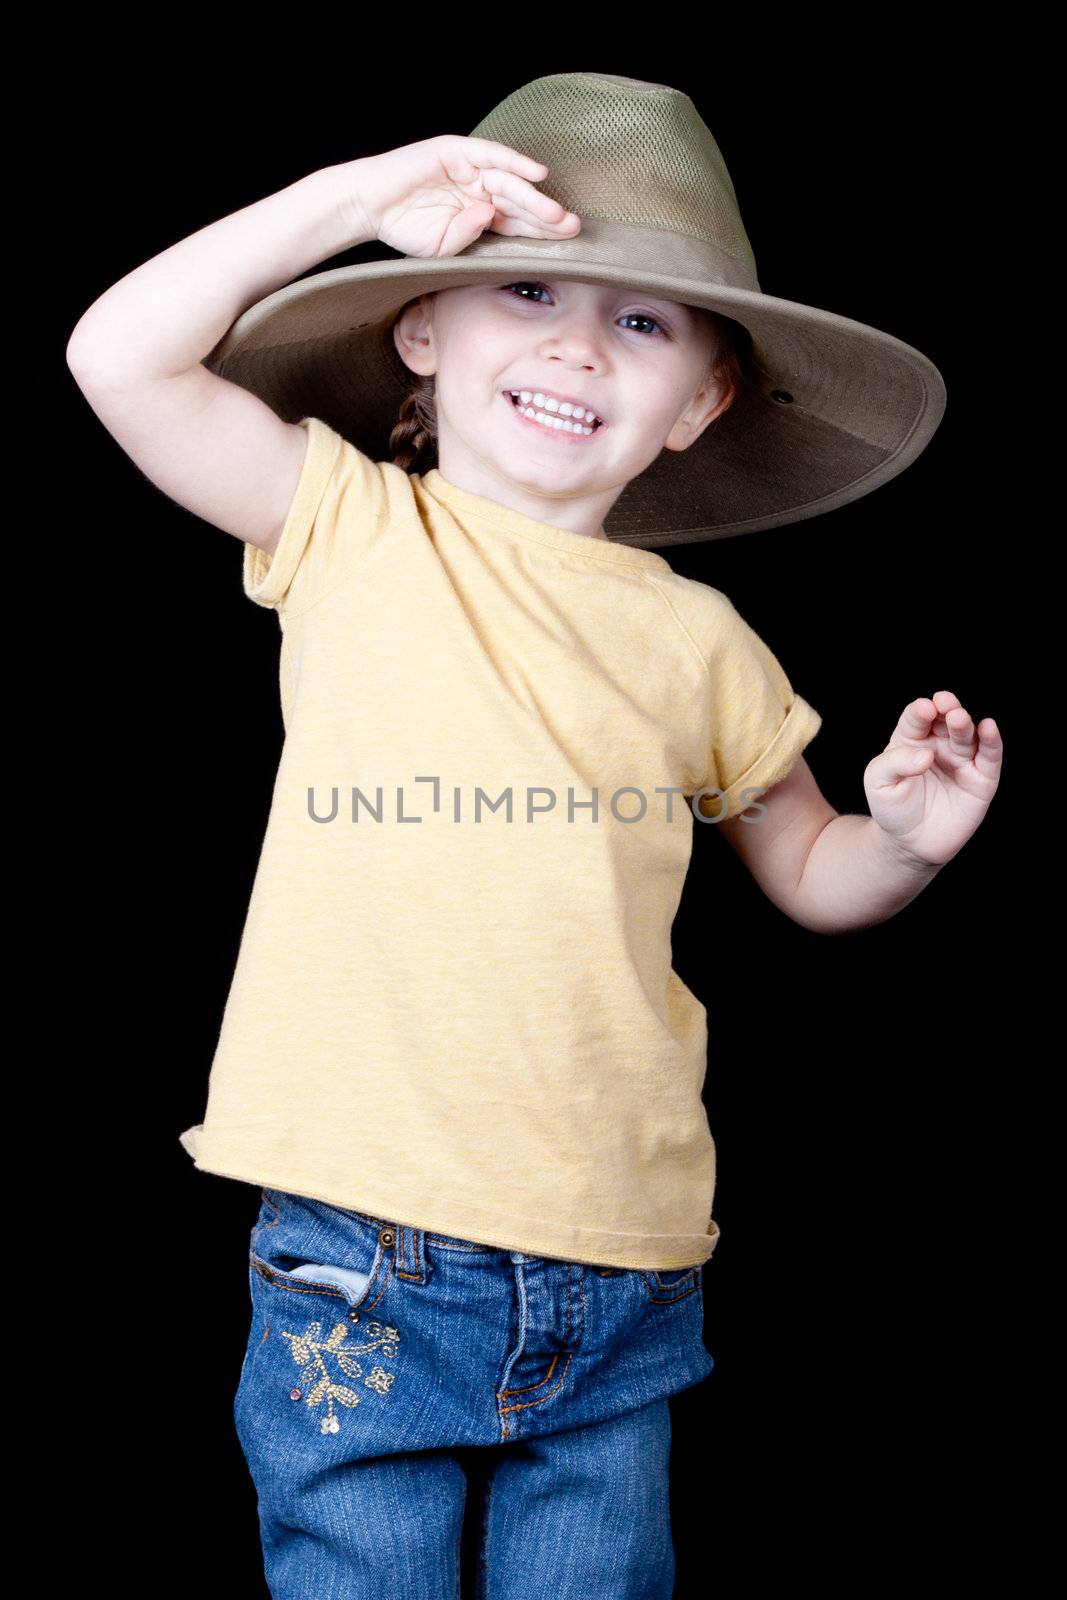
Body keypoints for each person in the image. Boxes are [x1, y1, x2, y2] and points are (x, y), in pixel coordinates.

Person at [66, 72, 1002, 1600]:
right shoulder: (349, 526)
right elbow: (117, 354)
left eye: (643, 323)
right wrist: (358, 203)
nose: (576, 343)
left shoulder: (704, 642)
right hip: (368, 1238)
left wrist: (901, 842)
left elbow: (811, 870)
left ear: (703, 400)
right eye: (526, 290)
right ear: (419, 330)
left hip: (624, 1243)